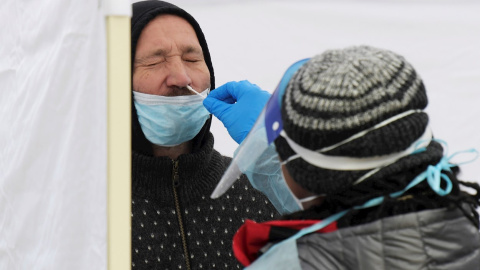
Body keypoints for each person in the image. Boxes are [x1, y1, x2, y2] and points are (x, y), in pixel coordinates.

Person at [211, 45, 480, 269]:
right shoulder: (465, 225)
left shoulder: (292, 263)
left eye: (282, 152)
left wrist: (262, 148)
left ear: (304, 175)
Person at [130, 1, 280, 269]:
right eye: (154, 60)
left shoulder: (263, 187)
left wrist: (281, 149)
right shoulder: (85, 204)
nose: (181, 77)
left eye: (192, 59)